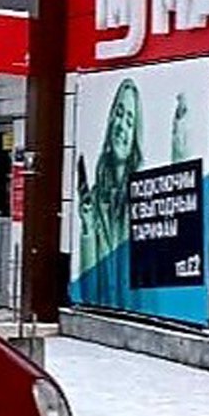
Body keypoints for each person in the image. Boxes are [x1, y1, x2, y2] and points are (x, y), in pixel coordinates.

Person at [77, 78, 144, 308]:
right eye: (119, 114)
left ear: (135, 136)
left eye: (129, 121)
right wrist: (87, 228)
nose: (121, 126)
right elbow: (88, 292)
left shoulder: (142, 196)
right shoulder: (96, 198)